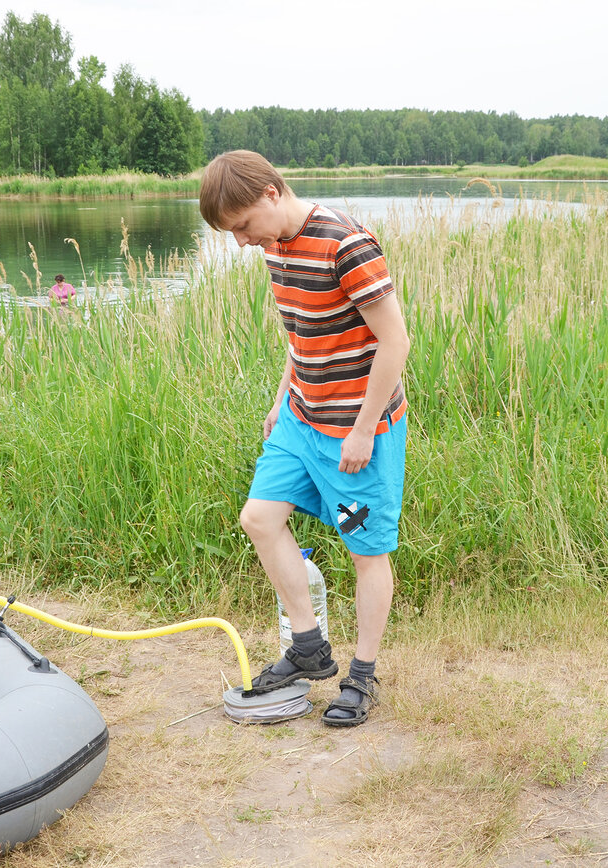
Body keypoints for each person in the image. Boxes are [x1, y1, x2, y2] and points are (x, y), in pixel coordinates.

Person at [199, 150, 410, 727]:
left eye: (242, 225)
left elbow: (395, 343)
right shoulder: (275, 248)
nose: (241, 242)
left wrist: (364, 429)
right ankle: (308, 647)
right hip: (300, 416)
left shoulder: (348, 245)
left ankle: (362, 676)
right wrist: (279, 399)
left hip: (358, 426)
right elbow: (300, 336)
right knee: (260, 518)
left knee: (368, 553)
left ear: (271, 193)